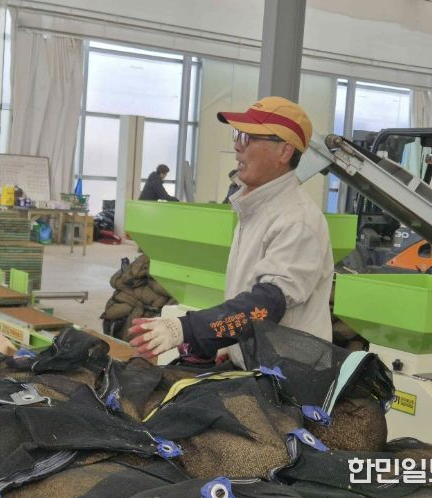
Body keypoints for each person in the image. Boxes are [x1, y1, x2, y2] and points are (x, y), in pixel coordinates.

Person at [129, 96, 334, 366]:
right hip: (258, 363)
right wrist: (232, 347)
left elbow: (265, 306)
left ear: (284, 152)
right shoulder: (255, 209)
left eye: (248, 137)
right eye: (238, 135)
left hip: (288, 376)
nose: (237, 145)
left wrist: (188, 329)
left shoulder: (296, 220)